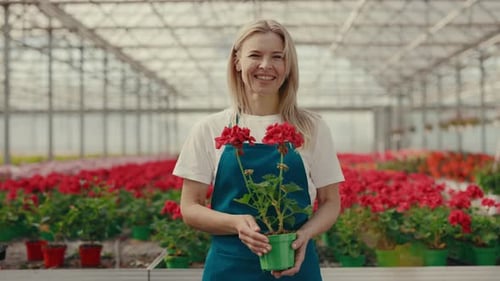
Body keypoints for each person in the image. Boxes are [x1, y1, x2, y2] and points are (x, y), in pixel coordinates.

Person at [173, 19, 344, 281]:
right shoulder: (209, 128)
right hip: (229, 268)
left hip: (294, 265)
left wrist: (306, 234)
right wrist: (235, 223)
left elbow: (331, 202)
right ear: (237, 61)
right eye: (255, 55)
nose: (266, 66)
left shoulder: (311, 127)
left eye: (277, 57)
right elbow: (190, 207)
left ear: (288, 66)